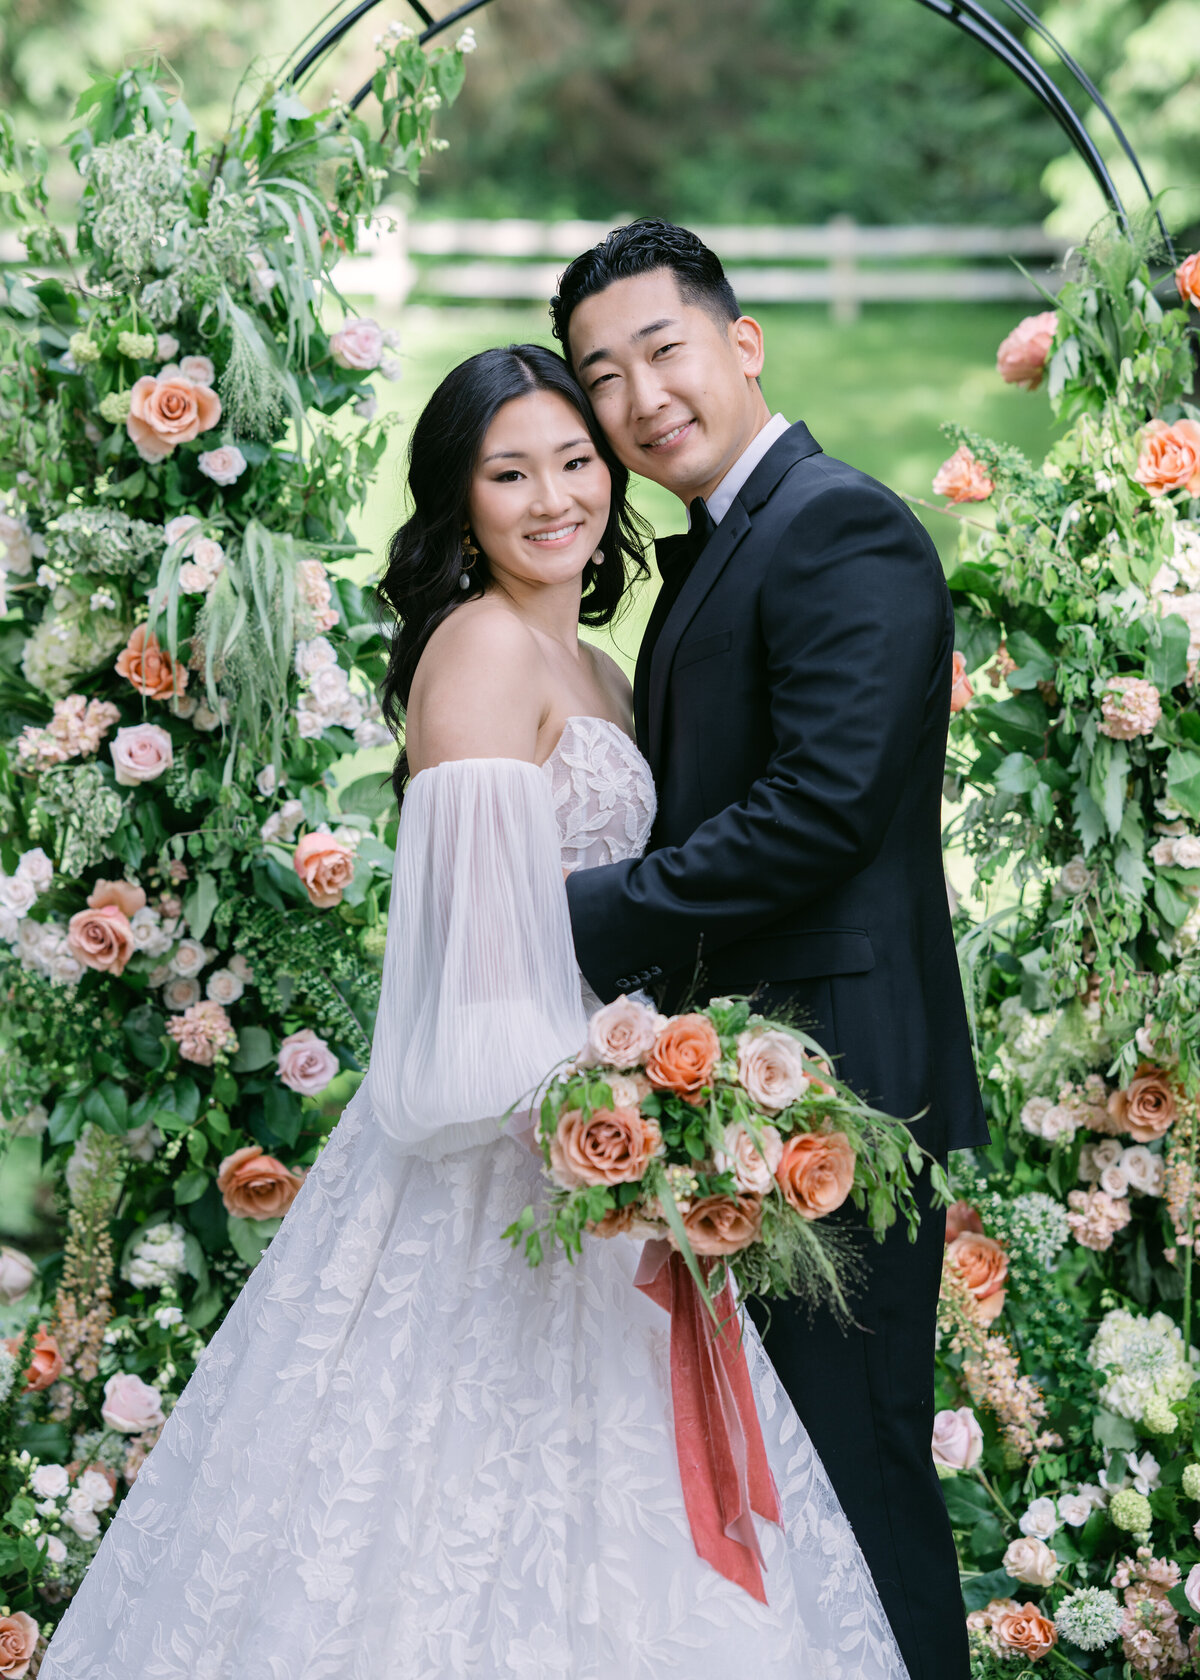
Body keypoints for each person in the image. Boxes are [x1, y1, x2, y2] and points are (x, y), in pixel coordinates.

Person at [40, 344, 907, 1680]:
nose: (555, 497)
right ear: (460, 505)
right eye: (512, 474)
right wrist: (634, 1120)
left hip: (598, 1144)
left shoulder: (602, 675)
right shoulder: (485, 654)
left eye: (576, 462)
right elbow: (472, 992)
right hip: (507, 1155)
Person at [551, 221, 990, 1680]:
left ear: (740, 343)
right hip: (743, 1088)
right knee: (778, 1489)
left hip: (840, 1087)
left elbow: (821, 809)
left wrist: (588, 914)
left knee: (858, 1479)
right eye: (600, 378)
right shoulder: (736, 538)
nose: (638, 399)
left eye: (661, 350)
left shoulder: (836, 525)